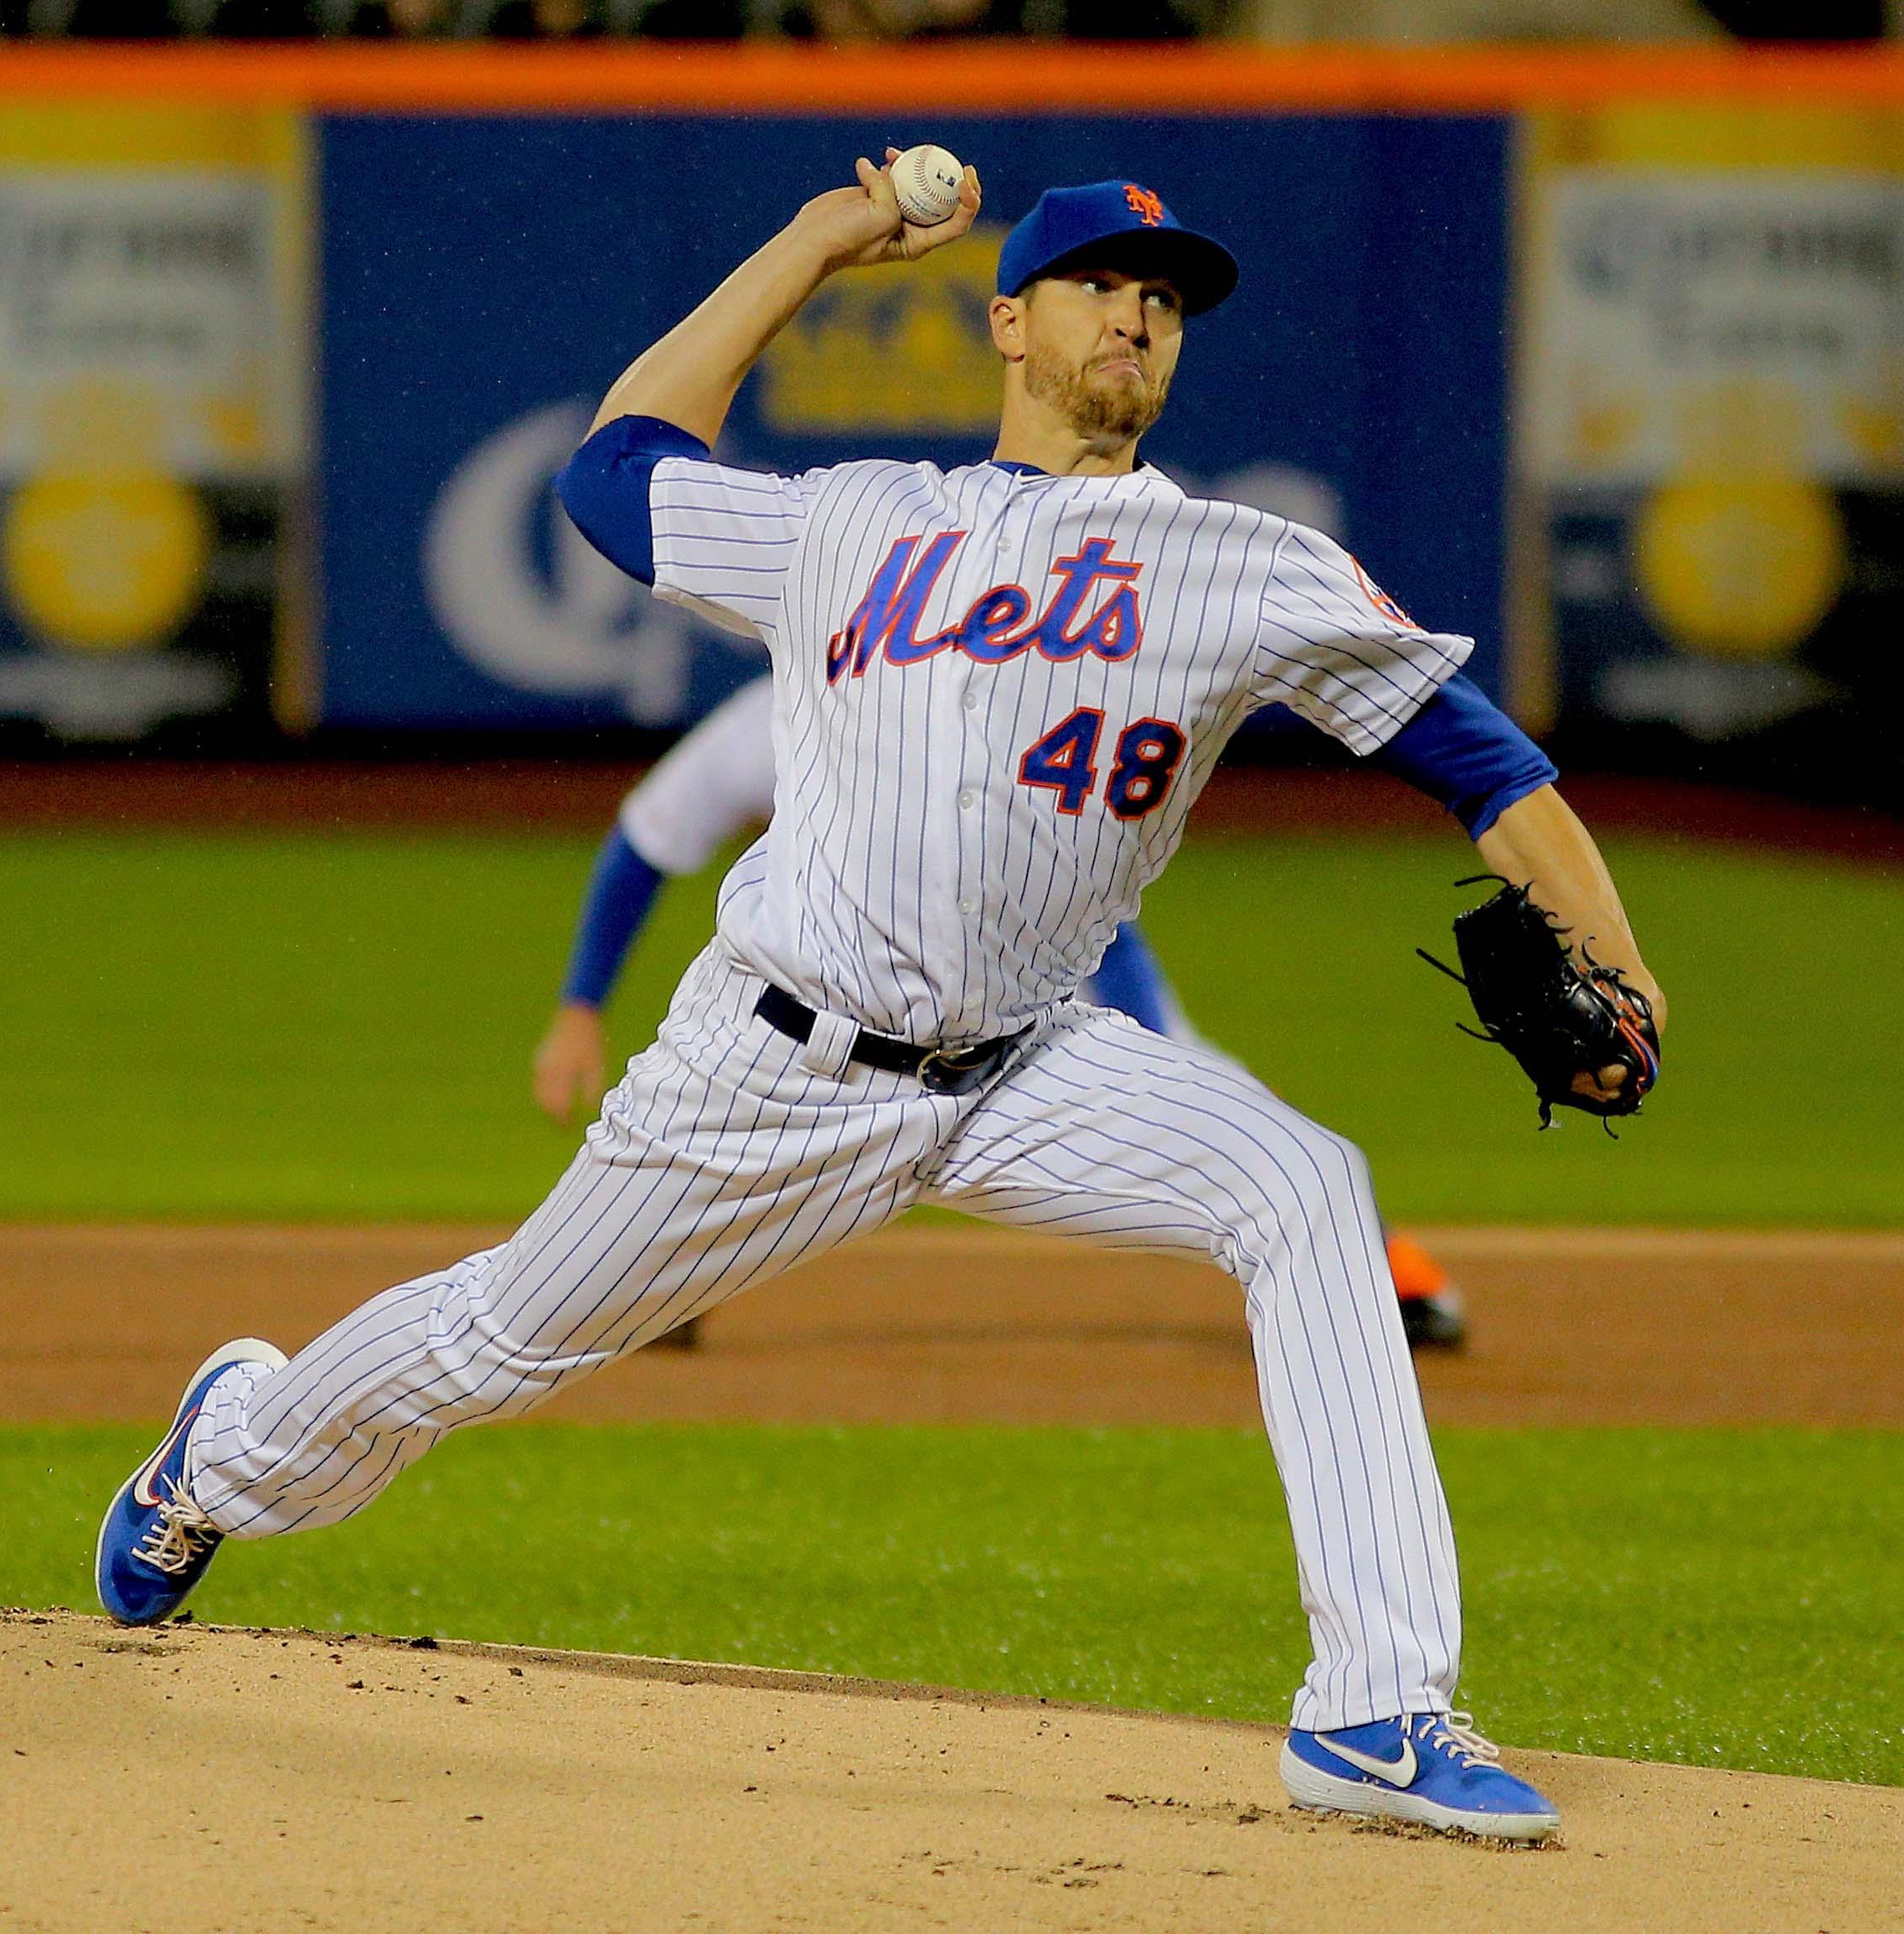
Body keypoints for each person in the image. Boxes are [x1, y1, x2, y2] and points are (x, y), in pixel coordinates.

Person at [95, 157, 1665, 1843]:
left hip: (1029, 1064)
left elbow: (1483, 762)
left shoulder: (1241, 566)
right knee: (498, 1338)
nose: (1142, 307)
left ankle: (1374, 1708)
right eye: (1100, 278)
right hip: (767, 1069)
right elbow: (613, 469)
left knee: (1305, 1185)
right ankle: (224, 1453)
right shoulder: (853, 520)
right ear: (1009, 321)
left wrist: (1626, 960)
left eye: (1171, 293)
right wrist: (818, 241)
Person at [531, 672, 1478, 1353]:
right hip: (850, 993)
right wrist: (580, 1003)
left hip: (1051, 961)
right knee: (735, 1085)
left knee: (1207, 1085)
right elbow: (647, 839)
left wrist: (1142, 1024)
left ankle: (1378, 1269)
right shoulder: (781, 707)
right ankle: (653, 1282)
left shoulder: (1007, 681)